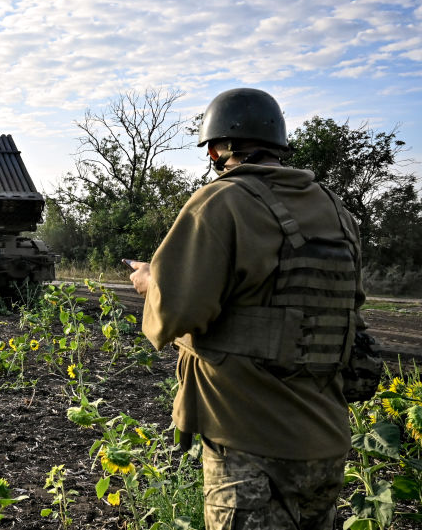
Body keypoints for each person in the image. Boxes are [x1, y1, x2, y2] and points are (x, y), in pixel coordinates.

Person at [128, 88, 365, 530]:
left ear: (217, 148)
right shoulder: (337, 211)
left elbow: (173, 316)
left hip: (249, 443)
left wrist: (149, 282)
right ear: (278, 144)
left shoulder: (221, 202)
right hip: (325, 443)